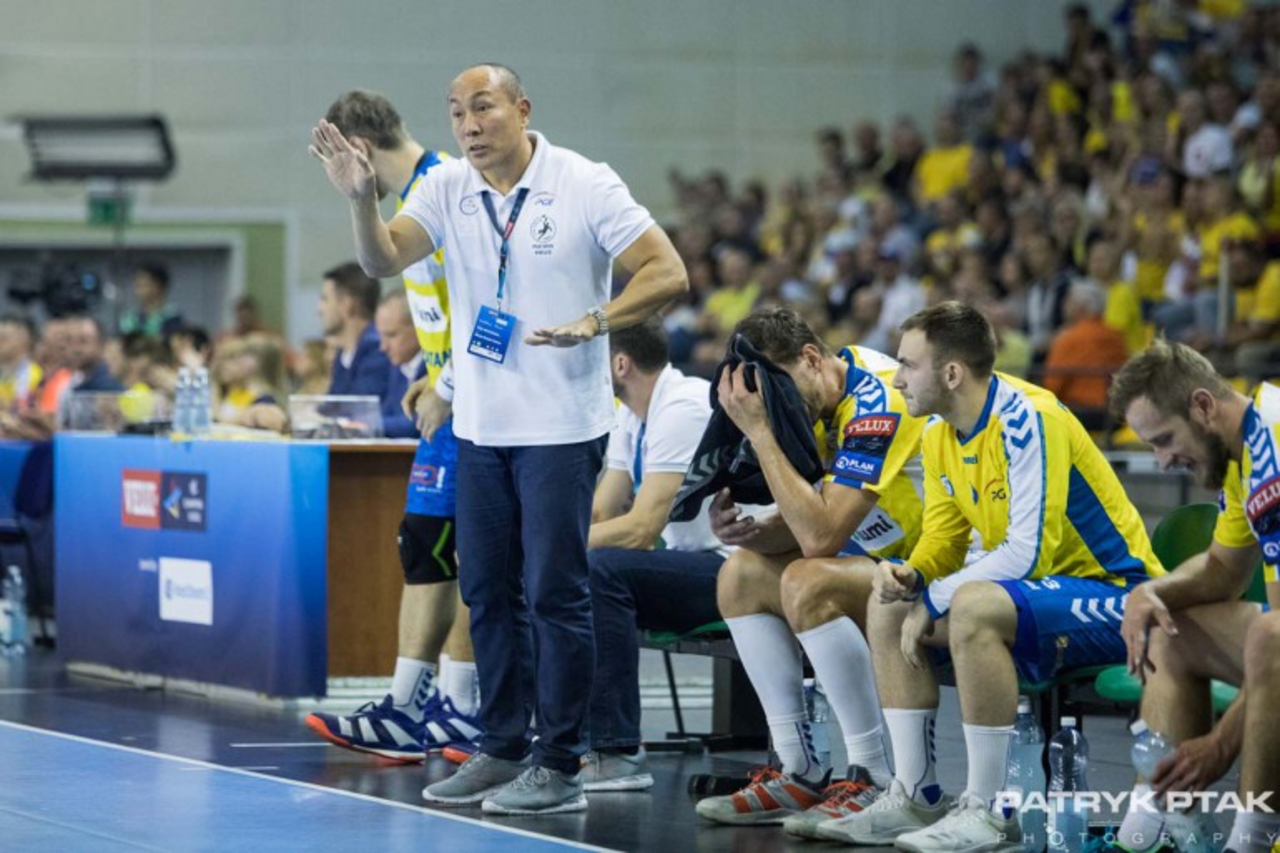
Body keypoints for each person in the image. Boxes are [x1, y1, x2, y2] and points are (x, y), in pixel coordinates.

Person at [309, 63, 687, 814]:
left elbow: (666, 270)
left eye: (483, 107)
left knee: (554, 592)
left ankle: (563, 762)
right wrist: (360, 201)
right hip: (480, 428)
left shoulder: (584, 182)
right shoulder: (445, 187)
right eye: (456, 113)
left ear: (522, 108)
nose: (469, 125)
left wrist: (596, 320)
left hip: (562, 427)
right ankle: (503, 746)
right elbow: (382, 258)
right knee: (485, 592)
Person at [816, 302, 1164, 851]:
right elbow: (945, 537)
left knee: (973, 604)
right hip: (1040, 596)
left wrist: (937, 599)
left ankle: (987, 810)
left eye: (908, 365)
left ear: (952, 373)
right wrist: (914, 574)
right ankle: (915, 793)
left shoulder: (1029, 418)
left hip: (1118, 593)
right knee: (889, 603)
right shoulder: (938, 431)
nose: (897, 379)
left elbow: (1027, 553)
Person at [693, 306, 925, 835]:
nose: (780, 408)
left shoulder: (879, 401)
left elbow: (822, 538)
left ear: (812, 358)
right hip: (886, 562)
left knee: (807, 580)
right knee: (741, 574)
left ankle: (870, 773)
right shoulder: (818, 402)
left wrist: (760, 433)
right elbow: (809, 525)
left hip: (943, 567)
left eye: (781, 393)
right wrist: (746, 532)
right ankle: (798, 770)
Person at [305, 89, 479, 764]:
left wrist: (450, 382)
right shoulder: (416, 197)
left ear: (360, 148)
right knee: (428, 547)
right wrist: (431, 374)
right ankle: (420, 705)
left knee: (458, 553)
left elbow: (491, 301)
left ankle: (454, 706)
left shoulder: (445, 189)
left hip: (473, 407)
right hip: (448, 398)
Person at [1109, 340, 1280, 853]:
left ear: (1203, 406)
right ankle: (1154, 833)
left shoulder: (1273, 450)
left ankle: (1252, 841)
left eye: (1164, 440)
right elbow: (1224, 571)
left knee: (1270, 635)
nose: (1163, 462)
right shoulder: (1247, 450)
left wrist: (1221, 744)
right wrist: (1152, 591)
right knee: (1173, 628)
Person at [581, 317, 723, 792]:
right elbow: (601, 509)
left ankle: (616, 749)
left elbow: (641, 531)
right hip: (692, 563)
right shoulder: (632, 413)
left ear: (620, 364)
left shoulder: (682, 407)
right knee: (559, 572)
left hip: (735, 567)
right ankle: (560, 736)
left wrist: (552, 545)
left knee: (600, 569)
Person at [1042, 280, 1130, 426]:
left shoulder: (1069, 338)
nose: (1064, 304)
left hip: (1078, 414)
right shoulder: (1117, 336)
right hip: (1115, 414)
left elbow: (1052, 385)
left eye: (1069, 300)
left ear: (1081, 307)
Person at [318, 261, 391, 401]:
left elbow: (358, 410)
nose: (319, 310)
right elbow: (332, 405)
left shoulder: (377, 350)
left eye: (325, 299)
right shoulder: (343, 355)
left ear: (348, 305)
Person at [373, 290, 425, 439]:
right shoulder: (398, 367)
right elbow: (387, 413)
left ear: (419, 328)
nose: (383, 347)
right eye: (381, 336)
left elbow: (418, 423)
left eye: (391, 335)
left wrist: (368, 425)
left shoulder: (435, 368)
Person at [119, 263, 184, 340]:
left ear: (158, 286)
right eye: (136, 285)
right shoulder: (129, 319)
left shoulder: (172, 317)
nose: (137, 291)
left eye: (143, 285)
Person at [0, 314, 42, 414]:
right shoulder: (4, 372)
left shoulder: (33, 374)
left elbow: (21, 412)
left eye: (3, 339)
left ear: (24, 340)